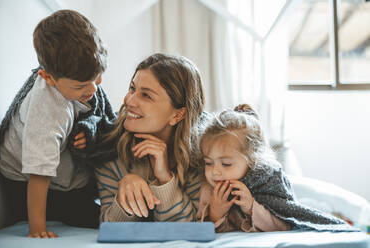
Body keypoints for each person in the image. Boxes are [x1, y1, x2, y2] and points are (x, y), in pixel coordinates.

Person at [0, 9, 108, 238]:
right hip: (27, 184)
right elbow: (39, 173)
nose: (92, 90)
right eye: (80, 87)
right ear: (48, 78)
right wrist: (37, 228)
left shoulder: (79, 78)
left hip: (64, 166)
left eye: (96, 78)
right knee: (98, 217)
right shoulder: (48, 110)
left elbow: (102, 116)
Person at [197, 104, 354, 233]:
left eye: (226, 164)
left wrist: (251, 207)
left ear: (252, 159)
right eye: (208, 163)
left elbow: (286, 223)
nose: (214, 171)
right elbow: (202, 230)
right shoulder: (209, 188)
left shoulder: (268, 180)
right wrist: (215, 213)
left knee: (317, 206)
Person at [95, 53, 204, 223]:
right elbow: (110, 228)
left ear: (178, 114)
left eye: (146, 95)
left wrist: (164, 178)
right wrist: (125, 198)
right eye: (132, 88)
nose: (129, 101)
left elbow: (187, 228)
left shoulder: (202, 154)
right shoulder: (109, 150)